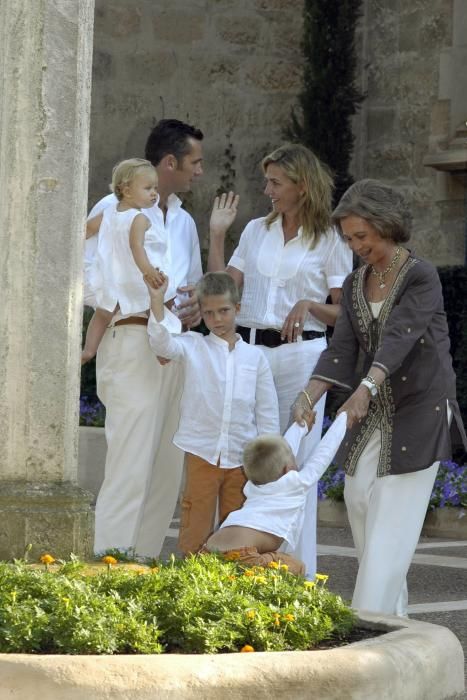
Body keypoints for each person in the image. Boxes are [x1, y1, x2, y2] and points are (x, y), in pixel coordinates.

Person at [293, 178, 467, 615]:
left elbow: (400, 337)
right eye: (349, 238)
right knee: (357, 495)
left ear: (386, 226)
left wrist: (366, 387)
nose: (355, 246)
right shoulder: (354, 284)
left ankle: (366, 624)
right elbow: (343, 348)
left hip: (421, 406)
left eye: (361, 236)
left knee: (391, 514)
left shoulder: (420, 276)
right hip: (375, 406)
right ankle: (396, 618)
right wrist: (310, 395)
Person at [208, 143, 353, 577]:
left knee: (295, 470)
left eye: (275, 182)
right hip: (252, 356)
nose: (266, 189)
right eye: (266, 180)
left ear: (301, 185)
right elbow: (221, 289)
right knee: (251, 463)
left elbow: (344, 313)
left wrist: (309, 304)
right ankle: (243, 568)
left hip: (303, 360)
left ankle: (295, 574)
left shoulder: (329, 238)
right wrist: (217, 234)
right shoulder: (255, 230)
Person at [86, 119, 204, 558]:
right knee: (130, 461)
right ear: (169, 162)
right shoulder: (112, 209)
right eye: (195, 162)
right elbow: (81, 270)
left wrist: (187, 308)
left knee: (165, 468)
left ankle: (145, 566)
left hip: (173, 344)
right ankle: (107, 565)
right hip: (133, 338)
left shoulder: (186, 221)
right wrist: (121, 304)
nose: (200, 171)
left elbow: (187, 283)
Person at [146, 271, 280, 554]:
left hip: (243, 458)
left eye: (224, 311)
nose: (217, 319)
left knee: (238, 526)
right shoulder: (193, 346)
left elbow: (268, 415)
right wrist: (157, 303)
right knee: (196, 520)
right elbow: (162, 344)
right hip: (202, 451)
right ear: (201, 315)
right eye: (209, 313)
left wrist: (270, 464)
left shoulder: (256, 358)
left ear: (238, 309)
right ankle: (192, 579)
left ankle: (232, 584)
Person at [203, 412, 348, 575]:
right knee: (296, 567)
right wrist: (344, 418)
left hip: (209, 548)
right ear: (287, 468)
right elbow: (322, 455)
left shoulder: (254, 485)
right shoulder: (295, 484)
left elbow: (284, 449)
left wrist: (301, 427)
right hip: (244, 556)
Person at [82, 159, 164, 364]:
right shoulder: (140, 218)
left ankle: (88, 351)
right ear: (126, 190)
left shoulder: (109, 212)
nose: (154, 193)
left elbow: (88, 229)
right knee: (151, 311)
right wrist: (149, 272)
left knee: (102, 313)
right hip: (132, 275)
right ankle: (161, 350)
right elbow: (137, 247)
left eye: (155, 188)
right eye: (148, 188)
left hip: (109, 273)